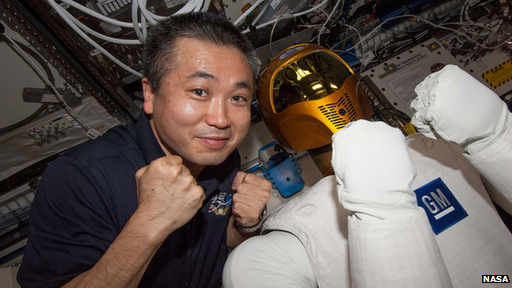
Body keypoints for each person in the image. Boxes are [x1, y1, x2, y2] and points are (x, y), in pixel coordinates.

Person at [17, 12, 271, 288]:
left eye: (237, 97)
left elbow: (215, 244)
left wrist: (246, 224)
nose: (221, 120)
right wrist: (150, 223)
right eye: (199, 91)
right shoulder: (78, 178)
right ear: (150, 95)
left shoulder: (221, 154)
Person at [222, 64, 512, 287]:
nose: (320, 90)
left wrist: (497, 139)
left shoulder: (440, 149)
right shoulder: (285, 246)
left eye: (322, 78)